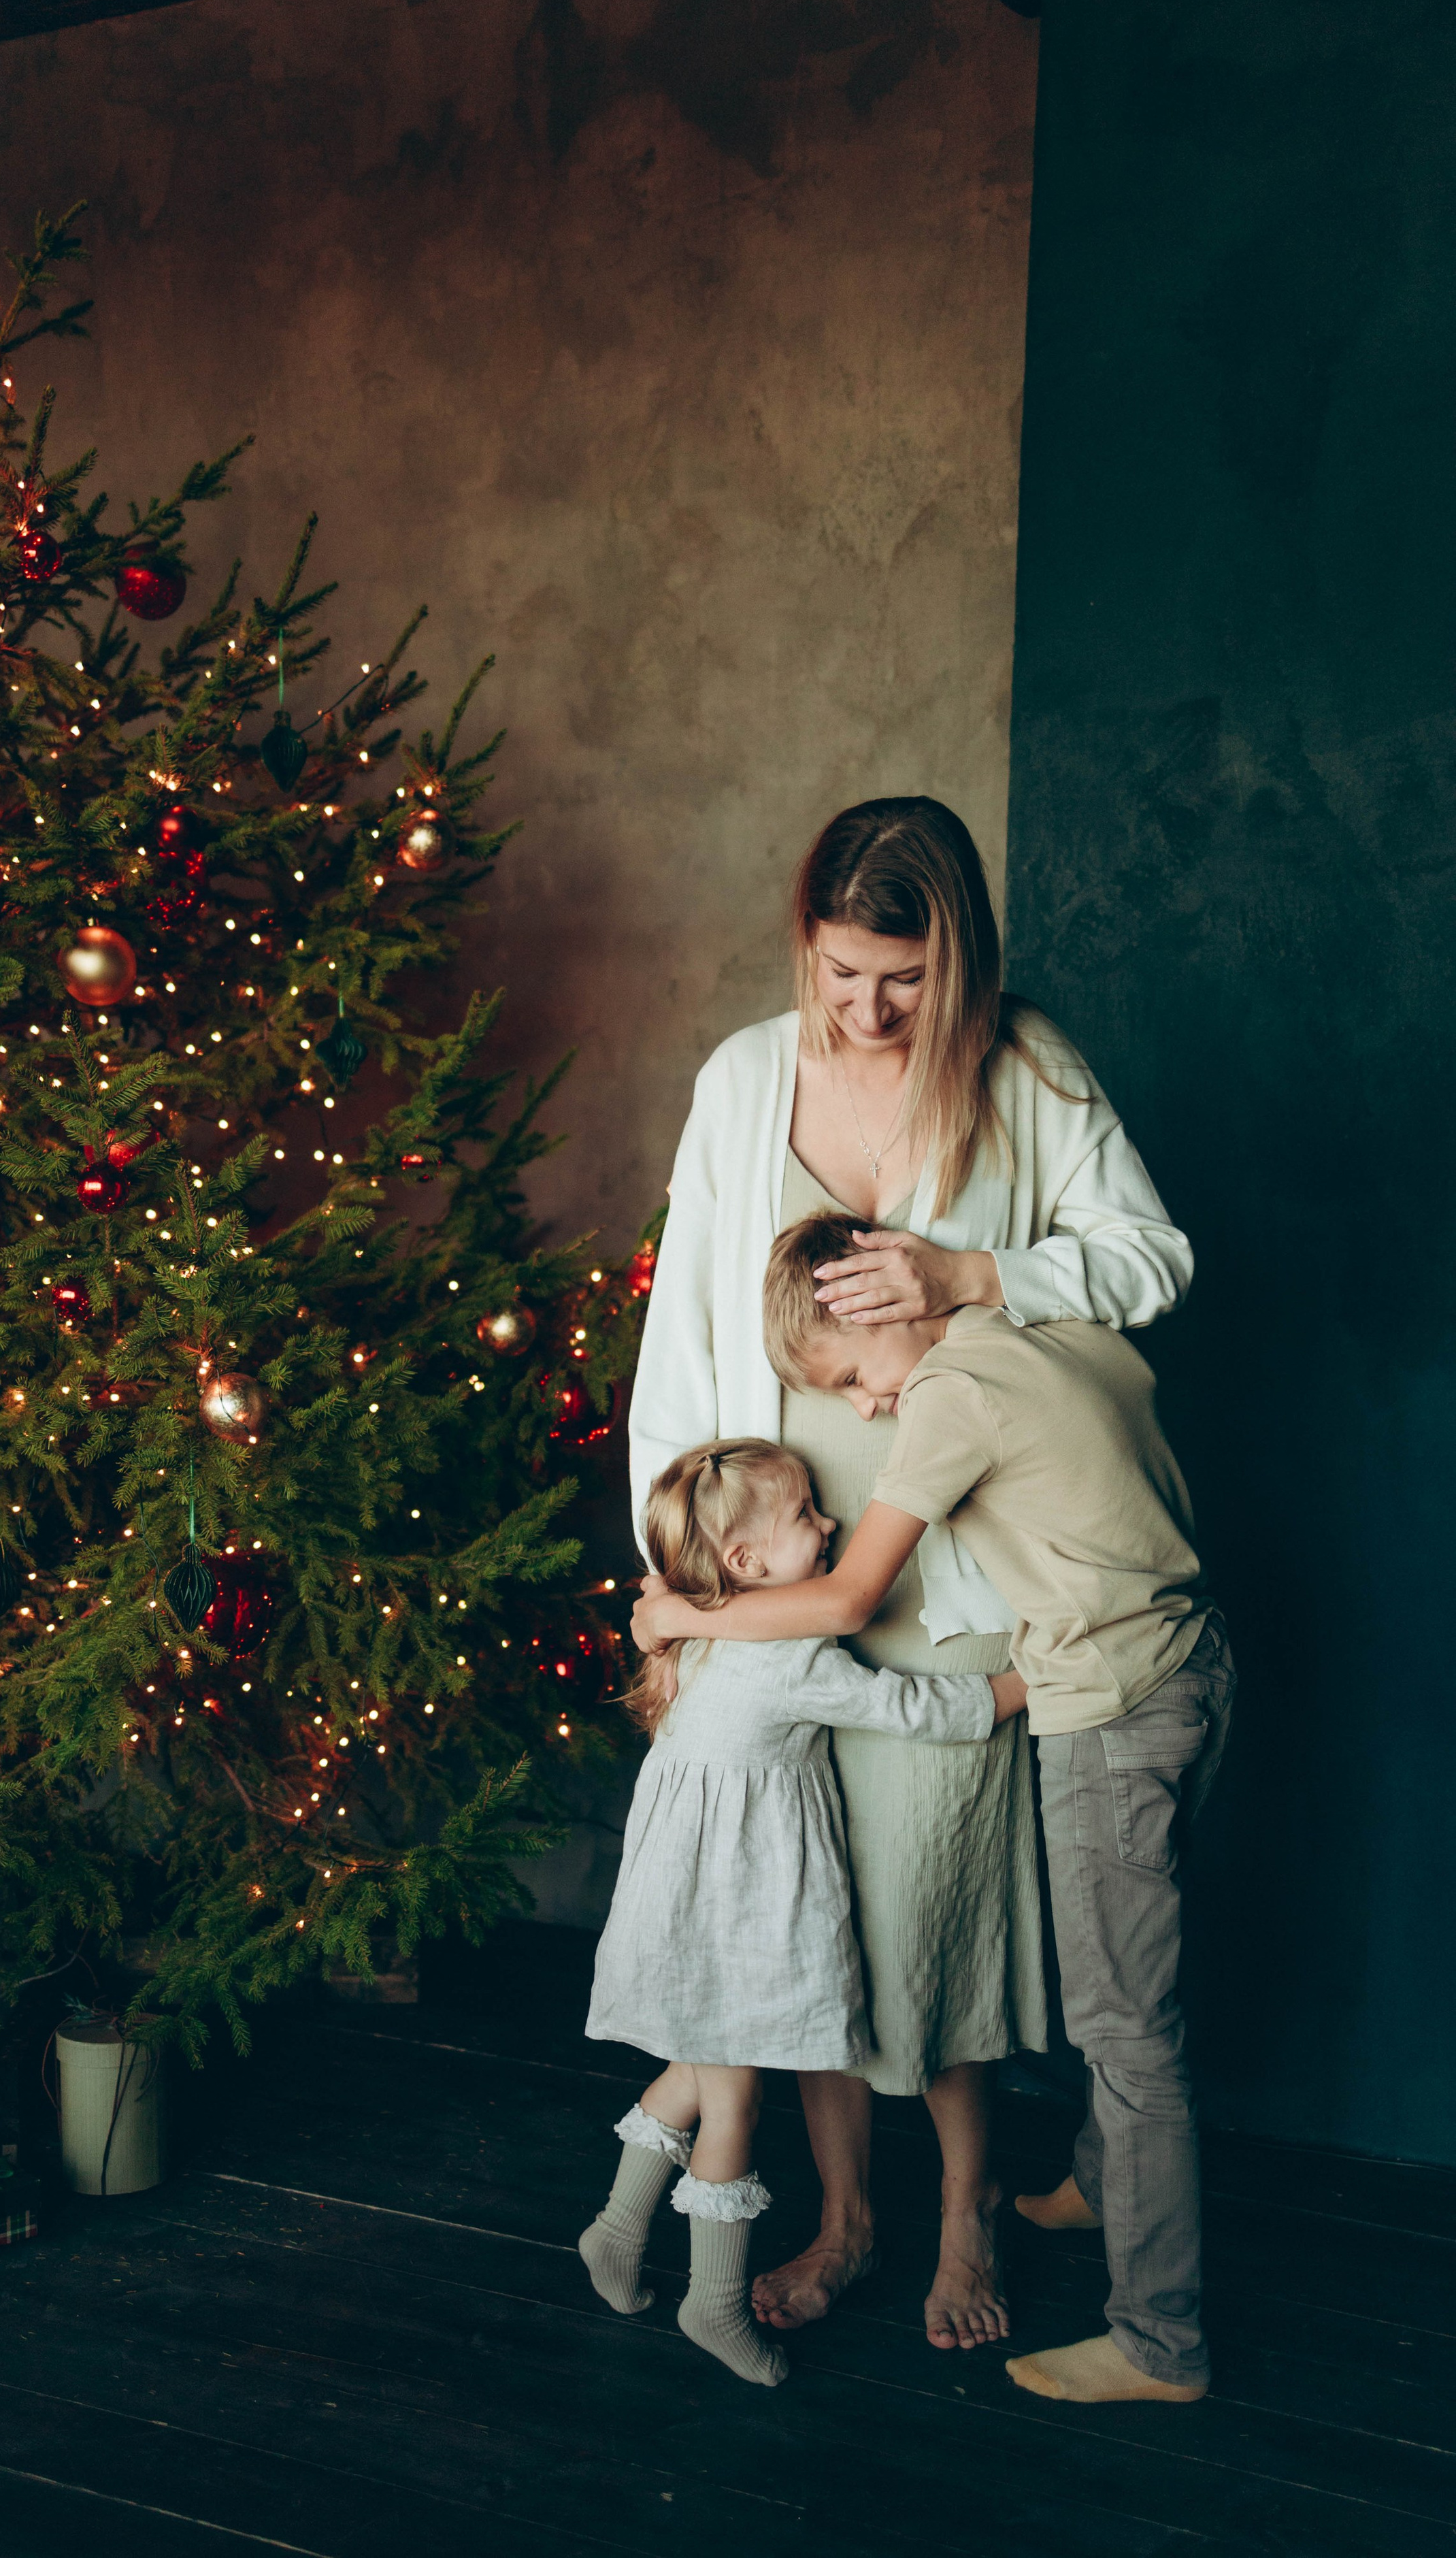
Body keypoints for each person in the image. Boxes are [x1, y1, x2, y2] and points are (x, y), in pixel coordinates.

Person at [627, 796, 1193, 2348]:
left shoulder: (1026, 1065)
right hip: (769, 1568)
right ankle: (842, 2221)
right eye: (836, 974)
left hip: (945, 1585)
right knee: (801, 1920)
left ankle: (962, 2232)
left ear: (962, 960)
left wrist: (978, 1273)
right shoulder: (742, 1079)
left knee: (928, 1929)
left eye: (903, 979)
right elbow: (679, 1345)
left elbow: (1153, 1259)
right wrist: (683, 1589)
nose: (866, 1012)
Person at [632, 1213, 1236, 2404]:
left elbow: (852, 1597)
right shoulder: (1053, 1329)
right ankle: (1095, 2186)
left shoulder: (953, 1393)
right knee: (1131, 1985)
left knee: (1125, 2029)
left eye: (853, 1379)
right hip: (1200, 1664)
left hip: (1111, 1707)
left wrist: (685, 1618)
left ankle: (1160, 2342)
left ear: (877, 1310)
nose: (862, 1408)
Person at [580, 1437, 1029, 2387]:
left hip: (679, 1899)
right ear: (744, 1563)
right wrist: (1019, 1687)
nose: (830, 1522)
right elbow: (907, 1708)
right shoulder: (783, 1651)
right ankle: (712, 2303)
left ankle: (616, 2235)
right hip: (736, 1910)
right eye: (806, 1517)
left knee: (695, 2080)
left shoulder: (699, 1626)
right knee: (732, 2100)